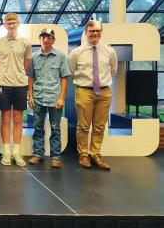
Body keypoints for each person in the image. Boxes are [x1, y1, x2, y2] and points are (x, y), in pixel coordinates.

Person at [68, 20, 117, 170]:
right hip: (84, 91)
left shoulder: (110, 51)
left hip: (104, 92)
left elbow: (113, 71)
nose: (95, 33)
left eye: (97, 31)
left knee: (100, 126)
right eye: (92, 31)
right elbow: (71, 71)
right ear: (86, 32)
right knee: (83, 126)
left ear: (101, 32)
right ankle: (83, 155)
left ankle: (95, 154)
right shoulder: (76, 53)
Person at [27, 28, 70, 168]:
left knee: (55, 128)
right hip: (38, 97)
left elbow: (64, 78)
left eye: (49, 37)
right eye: (43, 37)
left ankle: (55, 156)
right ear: (40, 39)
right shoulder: (34, 57)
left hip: (54, 98)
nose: (46, 39)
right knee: (38, 127)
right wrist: (30, 96)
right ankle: (38, 154)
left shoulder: (61, 56)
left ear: (53, 39)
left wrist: (62, 98)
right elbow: (31, 78)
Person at [0, 12, 32, 167]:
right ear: (4, 24)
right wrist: (4, 77)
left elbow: (26, 63)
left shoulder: (25, 42)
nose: (11, 25)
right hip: (3, 85)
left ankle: (16, 152)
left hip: (20, 85)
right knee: (6, 118)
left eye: (14, 22)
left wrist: (19, 74)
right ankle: (6, 152)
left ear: (18, 24)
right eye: (8, 22)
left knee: (17, 119)